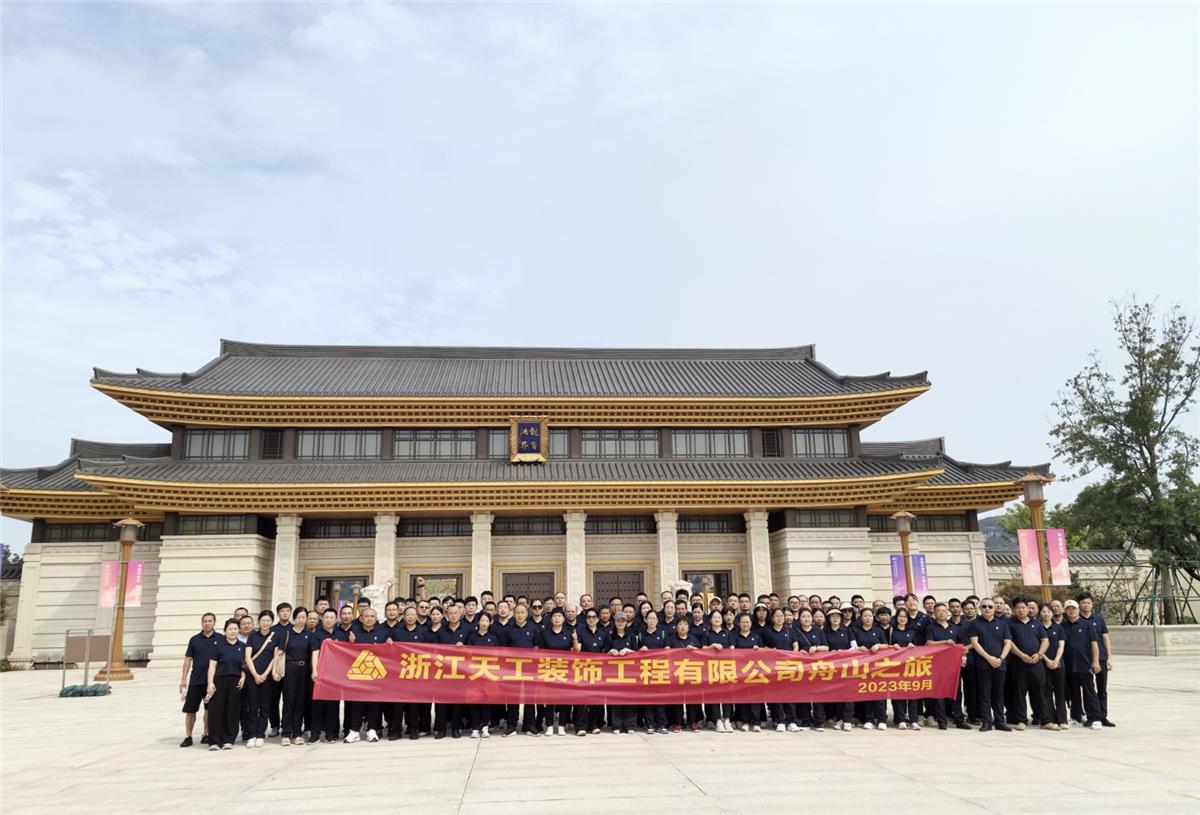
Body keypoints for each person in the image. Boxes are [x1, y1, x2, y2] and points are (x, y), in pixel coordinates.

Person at [969, 598, 1013, 732]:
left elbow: (1008, 643)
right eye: (984, 606)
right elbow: (975, 643)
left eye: (990, 606)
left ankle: (1000, 721)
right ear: (980, 608)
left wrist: (1000, 658)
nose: (987, 609)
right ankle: (986, 722)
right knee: (985, 694)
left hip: (1000, 664)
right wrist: (988, 658)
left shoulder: (1002, 623)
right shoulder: (975, 623)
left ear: (994, 608)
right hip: (983, 664)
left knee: (999, 694)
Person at [1005, 597, 1049, 731]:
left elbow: (1045, 640)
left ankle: (1045, 721)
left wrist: (1039, 654)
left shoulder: (1037, 623)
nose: (1021, 610)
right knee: (1019, 694)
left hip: (1036, 664)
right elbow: (1009, 642)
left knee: (1040, 692)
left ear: (1028, 608)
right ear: (1013, 609)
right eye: (1018, 608)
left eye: (1023, 607)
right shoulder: (1009, 623)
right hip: (1018, 664)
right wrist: (1021, 655)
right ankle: (1021, 720)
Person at [924, 603, 970, 731]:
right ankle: (941, 721)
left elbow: (962, 645)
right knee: (939, 694)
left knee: (956, 693)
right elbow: (928, 644)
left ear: (947, 612)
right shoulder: (931, 627)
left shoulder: (954, 628)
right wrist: (944, 642)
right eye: (938, 611)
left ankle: (959, 720)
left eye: (944, 611)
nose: (941, 613)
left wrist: (963, 652)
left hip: (953, 666)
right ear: (935, 613)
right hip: (937, 665)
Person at [205, 618, 247, 751]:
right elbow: (212, 665)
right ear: (225, 631)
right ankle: (214, 741)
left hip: (236, 682)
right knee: (216, 711)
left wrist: (243, 676)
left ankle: (228, 739)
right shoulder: (218, 645)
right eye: (230, 629)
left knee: (232, 711)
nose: (233, 631)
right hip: (219, 681)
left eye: (235, 629)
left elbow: (244, 665)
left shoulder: (242, 646)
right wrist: (210, 683)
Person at [499, 602, 540, 735]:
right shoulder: (508, 630)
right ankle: (512, 725)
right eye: (517, 612)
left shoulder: (533, 629)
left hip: (529, 669)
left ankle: (530, 725)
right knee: (513, 697)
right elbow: (504, 649)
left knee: (530, 697)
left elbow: (537, 647)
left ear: (527, 614)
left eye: (522, 612)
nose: (520, 615)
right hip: (513, 669)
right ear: (513, 614)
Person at [276, 607, 315, 745]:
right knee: (289, 700)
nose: (301, 620)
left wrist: (314, 670)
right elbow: (279, 653)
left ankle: (297, 733)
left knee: (300, 701)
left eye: (304, 617)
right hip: (290, 668)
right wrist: (275, 670)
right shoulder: (287, 633)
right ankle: (286, 733)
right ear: (294, 618)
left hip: (304, 669)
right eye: (299, 617)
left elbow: (314, 653)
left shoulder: (309, 634)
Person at [1062, 599, 1103, 729]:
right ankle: (1076, 716)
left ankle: (1095, 718)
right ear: (1065, 611)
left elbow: (1094, 644)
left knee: (1089, 693)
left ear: (1078, 609)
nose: (1071, 611)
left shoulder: (1087, 625)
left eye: (1073, 608)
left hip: (1085, 665)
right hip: (1069, 666)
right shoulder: (1062, 625)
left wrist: (1095, 661)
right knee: (1073, 693)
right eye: (1068, 609)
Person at [179, 613, 218, 747]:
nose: (207, 623)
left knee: (209, 709)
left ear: (214, 622)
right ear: (201, 623)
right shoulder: (194, 639)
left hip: (212, 682)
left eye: (210, 621)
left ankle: (206, 734)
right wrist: (184, 678)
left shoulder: (220, 639)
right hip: (196, 680)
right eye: (204, 621)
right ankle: (188, 736)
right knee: (190, 710)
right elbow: (188, 659)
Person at [434, 604, 471, 739]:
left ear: (460, 614)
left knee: (457, 702)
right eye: (451, 613)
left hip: (460, 672)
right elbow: (435, 651)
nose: (453, 615)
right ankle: (441, 729)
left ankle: (456, 728)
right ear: (446, 615)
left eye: (456, 613)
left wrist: (464, 648)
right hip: (443, 671)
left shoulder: (467, 630)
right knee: (441, 702)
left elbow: (473, 650)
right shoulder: (441, 631)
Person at [1078, 592, 1115, 727]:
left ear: (1092, 604)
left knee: (1102, 688)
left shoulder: (1099, 619)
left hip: (1101, 658)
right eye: (1083, 603)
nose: (1086, 605)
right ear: (1079, 605)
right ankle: (1092, 716)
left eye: (1088, 602)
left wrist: (1109, 658)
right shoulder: (1077, 620)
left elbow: (1105, 638)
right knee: (1088, 689)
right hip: (1085, 659)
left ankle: (1103, 716)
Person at [242, 610, 277, 748]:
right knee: (252, 706)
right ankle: (252, 734)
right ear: (259, 621)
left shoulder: (275, 636)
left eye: (268, 620)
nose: (265, 623)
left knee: (264, 706)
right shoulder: (253, 636)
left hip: (267, 677)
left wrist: (265, 674)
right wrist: (256, 675)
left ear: (272, 622)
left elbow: (275, 657)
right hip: (252, 676)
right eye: (263, 620)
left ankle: (261, 734)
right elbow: (247, 657)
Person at [761, 608, 798, 732]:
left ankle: (791, 721)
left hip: (789, 667)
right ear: (772, 618)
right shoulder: (767, 631)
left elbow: (795, 646)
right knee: (777, 695)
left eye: (781, 616)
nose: (779, 618)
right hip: (774, 668)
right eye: (776, 616)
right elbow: (763, 648)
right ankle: (780, 720)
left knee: (790, 695)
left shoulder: (790, 631)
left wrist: (792, 655)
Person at [540, 608, 576, 736]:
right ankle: (549, 725)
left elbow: (574, 652)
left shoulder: (569, 633)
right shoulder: (545, 634)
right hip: (549, 670)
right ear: (551, 619)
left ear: (563, 618)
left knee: (564, 699)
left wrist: (575, 640)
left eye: (559, 616)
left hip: (564, 670)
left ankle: (561, 725)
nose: (557, 618)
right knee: (549, 700)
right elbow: (540, 652)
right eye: (554, 616)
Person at [466, 612, 501, 739]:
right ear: (478, 622)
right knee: (474, 700)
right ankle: (475, 728)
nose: (484, 623)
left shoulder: (493, 638)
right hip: (475, 674)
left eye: (487, 620)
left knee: (487, 701)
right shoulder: (472, 638)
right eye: (482, 620)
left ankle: (485, 726)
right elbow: (467, 655)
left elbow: (498, 656)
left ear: (490, 622)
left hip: (488, 674)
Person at [309, 608, 342, 743]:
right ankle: (315, 734)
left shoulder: (340, 634)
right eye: (326, 617)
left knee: (333, 705)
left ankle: (331, 733)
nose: (329, 620)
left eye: (331, 617)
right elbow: (315, 653)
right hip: (321, 673)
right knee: (317, 704)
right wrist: (315, 671)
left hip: (336, 675)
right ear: (322, 619)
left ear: (336, 619)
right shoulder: (316, 635)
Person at [574, 608, 609, 736]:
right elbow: (577, 650)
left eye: (594, 617)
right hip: (583, 669)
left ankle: (594, 724)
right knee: (583, 699)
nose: (591, 619)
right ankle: (581, 726)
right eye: (589, 617)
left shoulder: (603, 633)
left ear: (598, 619)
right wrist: (575, 640)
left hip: (598, 670)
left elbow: (606, 650)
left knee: (596, 698)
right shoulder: (580, 632)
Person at [793, 608, 827, 732]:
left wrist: (816, 648)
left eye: (808, 616)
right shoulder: (795, 631)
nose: (806, 619)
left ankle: (819, 721)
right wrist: (799, 652)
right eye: (803, 616)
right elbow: (793, 648)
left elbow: (826, 647)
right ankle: (805, 720)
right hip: (802, 668)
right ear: (799, 619)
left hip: (817, 667)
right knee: (803, 694)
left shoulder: (818, 631)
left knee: (818, 694)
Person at [853, 607, 888, 730]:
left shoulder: (878, 631)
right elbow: (852, 646)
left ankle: (882, 719)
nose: (868, 618)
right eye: (865, 616)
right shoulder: (856, 631)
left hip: (878, 667)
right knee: (867, 693)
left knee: (879, 692)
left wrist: (878, 645)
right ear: (861, 618)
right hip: (863, 667)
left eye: (870, 616)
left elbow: (886, 645)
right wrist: (859, 648)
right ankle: (869, 719)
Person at [703, 610, 736, 733]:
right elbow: (703, 649)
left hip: (726, 668)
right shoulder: (706, 633)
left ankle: (727, 719)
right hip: (712, 668)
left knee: (727, 695)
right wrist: (712, 646)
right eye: (714, 617)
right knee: (715, 695)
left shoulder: (727, 633)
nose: (717, 619)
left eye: (719, 617)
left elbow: (732, 649)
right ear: (710, 620)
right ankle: (717, 720)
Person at [667, 617, 702, 732]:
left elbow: (701, 654)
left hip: (691, 671)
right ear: (676, 627)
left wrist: (695, 649)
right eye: (680, 624)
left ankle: (693, 721)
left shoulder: (694, 639)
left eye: (685, 624)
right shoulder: (671, 639)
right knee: (677, 698)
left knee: (692, 698)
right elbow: (667, 653)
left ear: (688, 627)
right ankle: (678, 722)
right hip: (676, 672)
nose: (683, 627)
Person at [607, 611, 639, 734]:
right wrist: (611, 651)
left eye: (623, 621)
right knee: (616, 698)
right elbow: (604, 652)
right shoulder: (610, 636)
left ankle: (630, 725)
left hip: (629, 673)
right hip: (614, 673)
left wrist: (628, 650)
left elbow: (637, 653)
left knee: (630, 698)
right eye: (618, 621)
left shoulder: (631, 637)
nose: (620, 623)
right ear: (614, 622)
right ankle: (617, 725)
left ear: (626, 623)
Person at [1037, 602, 1068, 731]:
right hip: (1043, 663)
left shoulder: (1058, 628)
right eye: (1043, 612)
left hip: (1058, 663)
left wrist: (1056, 660)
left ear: (1052, 613)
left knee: (1060, 692)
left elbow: (1061, 645)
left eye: (1048, 612)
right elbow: (1037, 646)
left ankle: (1062, 719)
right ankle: (1050, 719)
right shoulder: (1037, 627)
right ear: (1040, 613)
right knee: (1047, 692)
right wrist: (1047, 660)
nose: (1046, 614)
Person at [638, 609, 669, 734]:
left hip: (660, 669)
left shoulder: (663, 633)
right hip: (646, 670)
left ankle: (662, 724)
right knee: (648, 699)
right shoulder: (641, 634)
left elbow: (667, 649)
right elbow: (636, 651)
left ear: (657, 620)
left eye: (654, 618)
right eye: (649, 618)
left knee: (660, 699)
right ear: (645, 620)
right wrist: (641, 649)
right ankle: (649, 724)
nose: (651, 621)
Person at [731, 613, 764, 732]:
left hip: (754, 671)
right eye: (743, 622)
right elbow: (731, 652)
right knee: (743, 697)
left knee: (755, 697)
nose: (745, 624)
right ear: (739, 624)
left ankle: (756, 722)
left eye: (747, 622)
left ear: (751, 623)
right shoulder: (735, 637)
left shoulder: (756, 637)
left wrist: (759, 650)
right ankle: (745, 721)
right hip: (741, 671)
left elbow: (764, 652)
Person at [824, 608, 854, 731]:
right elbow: (824, 648)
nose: (835, 618)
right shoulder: (824, 632)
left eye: (837, 616)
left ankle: (848, 720)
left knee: (848, 693)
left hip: (847, 667)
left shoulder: (847, 631)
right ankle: (839, 718)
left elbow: (854, 647)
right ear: (828, 619)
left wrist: (843, 653)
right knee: (836, 694)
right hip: (832, 668)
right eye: (832, 616)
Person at [888, 608, 919, 729]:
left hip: (910, 665)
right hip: (896, 666)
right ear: (896, 618)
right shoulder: (891, 631)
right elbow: (886, 646)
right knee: (898, 692)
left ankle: (913, 719)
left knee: (912, 692)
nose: (902, 619)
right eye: (900, 616)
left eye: (905, 617)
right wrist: (892, 646)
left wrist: (912, 646)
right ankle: (900, 719)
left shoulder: (911, 631)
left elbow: (918, 648)